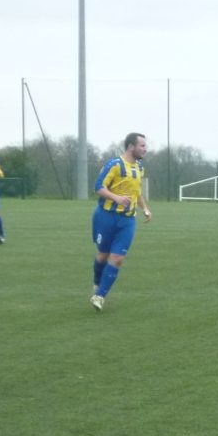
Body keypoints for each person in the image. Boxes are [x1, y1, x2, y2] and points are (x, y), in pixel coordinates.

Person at [90, 132, 152, 312]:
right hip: (106, 217)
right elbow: (98, 187)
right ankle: (96, 284)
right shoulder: (114, 165)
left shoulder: (139, 168)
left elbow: (137, 192)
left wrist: (145, 209)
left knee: (117, 258)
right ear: (131, 147)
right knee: (103, 255)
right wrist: (116, 198)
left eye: (145, 146)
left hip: (127, 221)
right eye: (142, 146)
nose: (145, 149)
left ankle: (99, 296)